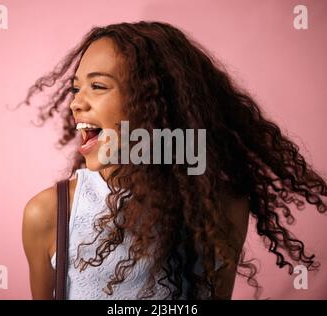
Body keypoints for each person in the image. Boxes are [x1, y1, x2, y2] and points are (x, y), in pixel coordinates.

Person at [21, 21, 326, 300]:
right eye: (76, 88)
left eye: (98, 86)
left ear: (155, 103)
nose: (76, 102)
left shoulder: (224, 207)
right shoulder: (49, 213)